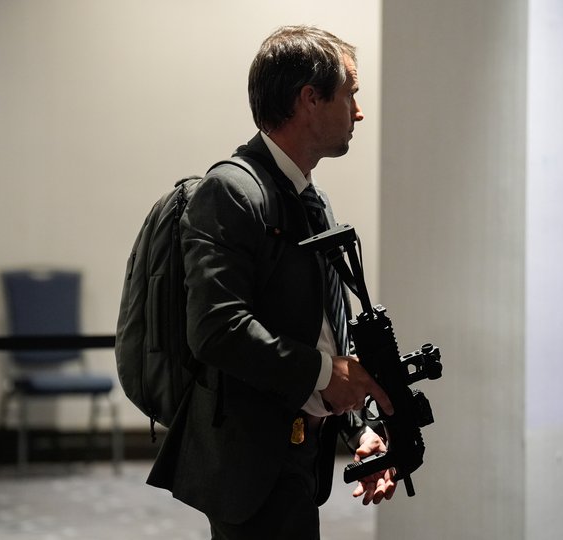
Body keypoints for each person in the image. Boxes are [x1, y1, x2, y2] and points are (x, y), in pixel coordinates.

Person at [148, 25, 396, 539]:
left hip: (299, 454)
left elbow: (323, 327)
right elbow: (216, 328)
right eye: (350, 92)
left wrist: (359, 426)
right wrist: (328, 376)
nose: (358, 110)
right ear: (310, 99)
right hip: (253, 464)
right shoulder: (232, 191)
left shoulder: (308, 198)